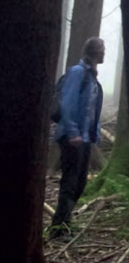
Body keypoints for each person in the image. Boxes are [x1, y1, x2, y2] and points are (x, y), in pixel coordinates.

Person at [48, 37, 105, 240]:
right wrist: (72, 132)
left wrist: (93, 135)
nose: (104, 52)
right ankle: (57, 229)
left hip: (85, 139)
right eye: (101, 49)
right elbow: (68, 104)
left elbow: (91, 110)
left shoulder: (92, 77)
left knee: (80, 183)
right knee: (70, 182)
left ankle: (65, 223)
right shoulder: (77, 73)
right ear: (91, 51)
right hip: (72, 138)